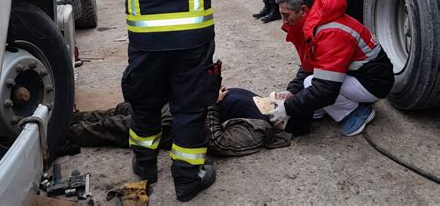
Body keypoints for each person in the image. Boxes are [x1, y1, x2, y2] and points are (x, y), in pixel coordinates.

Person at [112, 0, 226, 202]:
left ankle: (146, 166)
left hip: (145, 35)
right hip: (192, 34)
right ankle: (188, 178)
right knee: (189, 105)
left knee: (145, 100)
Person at [268, 0, 395, 136]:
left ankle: (356, 113)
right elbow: (310, 63)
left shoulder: (331, 32)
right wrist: (293, 91)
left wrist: (288, 108)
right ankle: (325, 108)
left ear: (303, 10)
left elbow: (325, 88)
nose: (284, 22)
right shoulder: (315, 20)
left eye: (286, 15)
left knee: (311, 84)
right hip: (360, 75)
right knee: (310, 86)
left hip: (374, 82)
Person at [66, 86, 302, 157]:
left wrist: (210, 102)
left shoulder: (259, 130)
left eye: (290, 102)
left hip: (180, 125)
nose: (287, 96)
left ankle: (60, 135)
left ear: (283, 122)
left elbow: (217, 142)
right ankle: (65, 119)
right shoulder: (263, 102)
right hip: (182, 102)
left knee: (115, 127)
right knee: (123, 109)